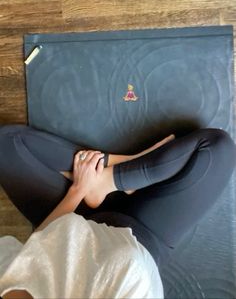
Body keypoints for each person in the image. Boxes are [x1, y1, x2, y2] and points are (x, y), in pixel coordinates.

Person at [0, 125, 235, 299]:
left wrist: (79, 189)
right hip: (146, 232)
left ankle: (111, 177)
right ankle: (130, 169)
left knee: (7, 145)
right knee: (217, 148)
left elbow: (38, 250)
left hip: (77, 219)